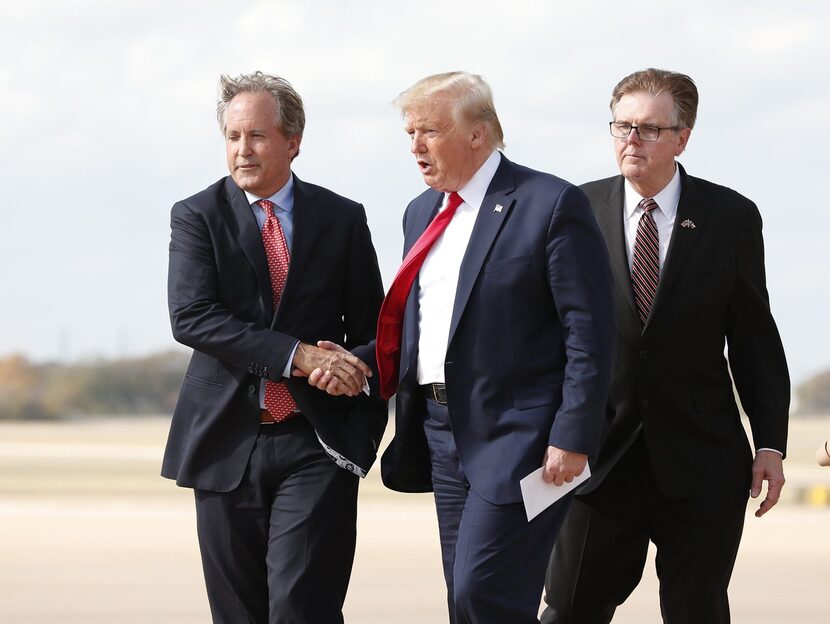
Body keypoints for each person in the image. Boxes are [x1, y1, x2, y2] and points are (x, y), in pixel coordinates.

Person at [336, 70, 613, 624]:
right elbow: (425, 328)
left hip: (525, 440)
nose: (415, 146)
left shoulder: (548, 202)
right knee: (463, 598)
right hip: (441, 431)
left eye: (429, 131)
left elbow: (590, 332)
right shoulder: (421, 211)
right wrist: (358, 361)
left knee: (482, 595)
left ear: (478, 134)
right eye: (410, 132)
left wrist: (573, 434)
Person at [542, 68, 790, 624]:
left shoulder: (731, 217)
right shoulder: (570, 211)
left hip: (702, 465)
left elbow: (754, 339)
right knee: (567, 611)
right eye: (623, 126)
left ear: (683, 137)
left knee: (697, 612)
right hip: (595, 460)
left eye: (651, 129)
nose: (633, 139)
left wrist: (770, 441)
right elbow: (544, 336)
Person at [162, 71, 386, 623]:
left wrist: (350, 367)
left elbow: (376, 330)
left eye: (257, 136)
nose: (242, 150)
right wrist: (300, 355)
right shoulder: (196, 216)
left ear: (293, 141)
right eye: (233, 137)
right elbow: (192, 317)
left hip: (316, 441)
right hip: (224, 442)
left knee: (301, 611)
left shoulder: (342, 217)